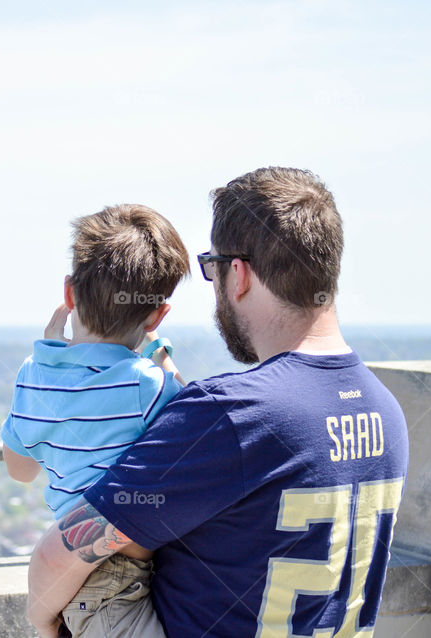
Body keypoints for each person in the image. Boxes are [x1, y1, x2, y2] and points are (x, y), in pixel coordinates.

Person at [27, 167, 410, 638]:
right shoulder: (385, 410)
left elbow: (64, 550)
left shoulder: (232, 415)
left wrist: (41, 620)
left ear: (240, 274)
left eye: (213, 267)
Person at [1, 204, 192, 637]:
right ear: (157, 315)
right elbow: (198, 423)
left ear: (69, 294)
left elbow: (20, 470)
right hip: (118, 573)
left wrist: (49, 370)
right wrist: (164, 364)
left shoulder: (33, 376)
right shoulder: (148, 385)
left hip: (76, 566)